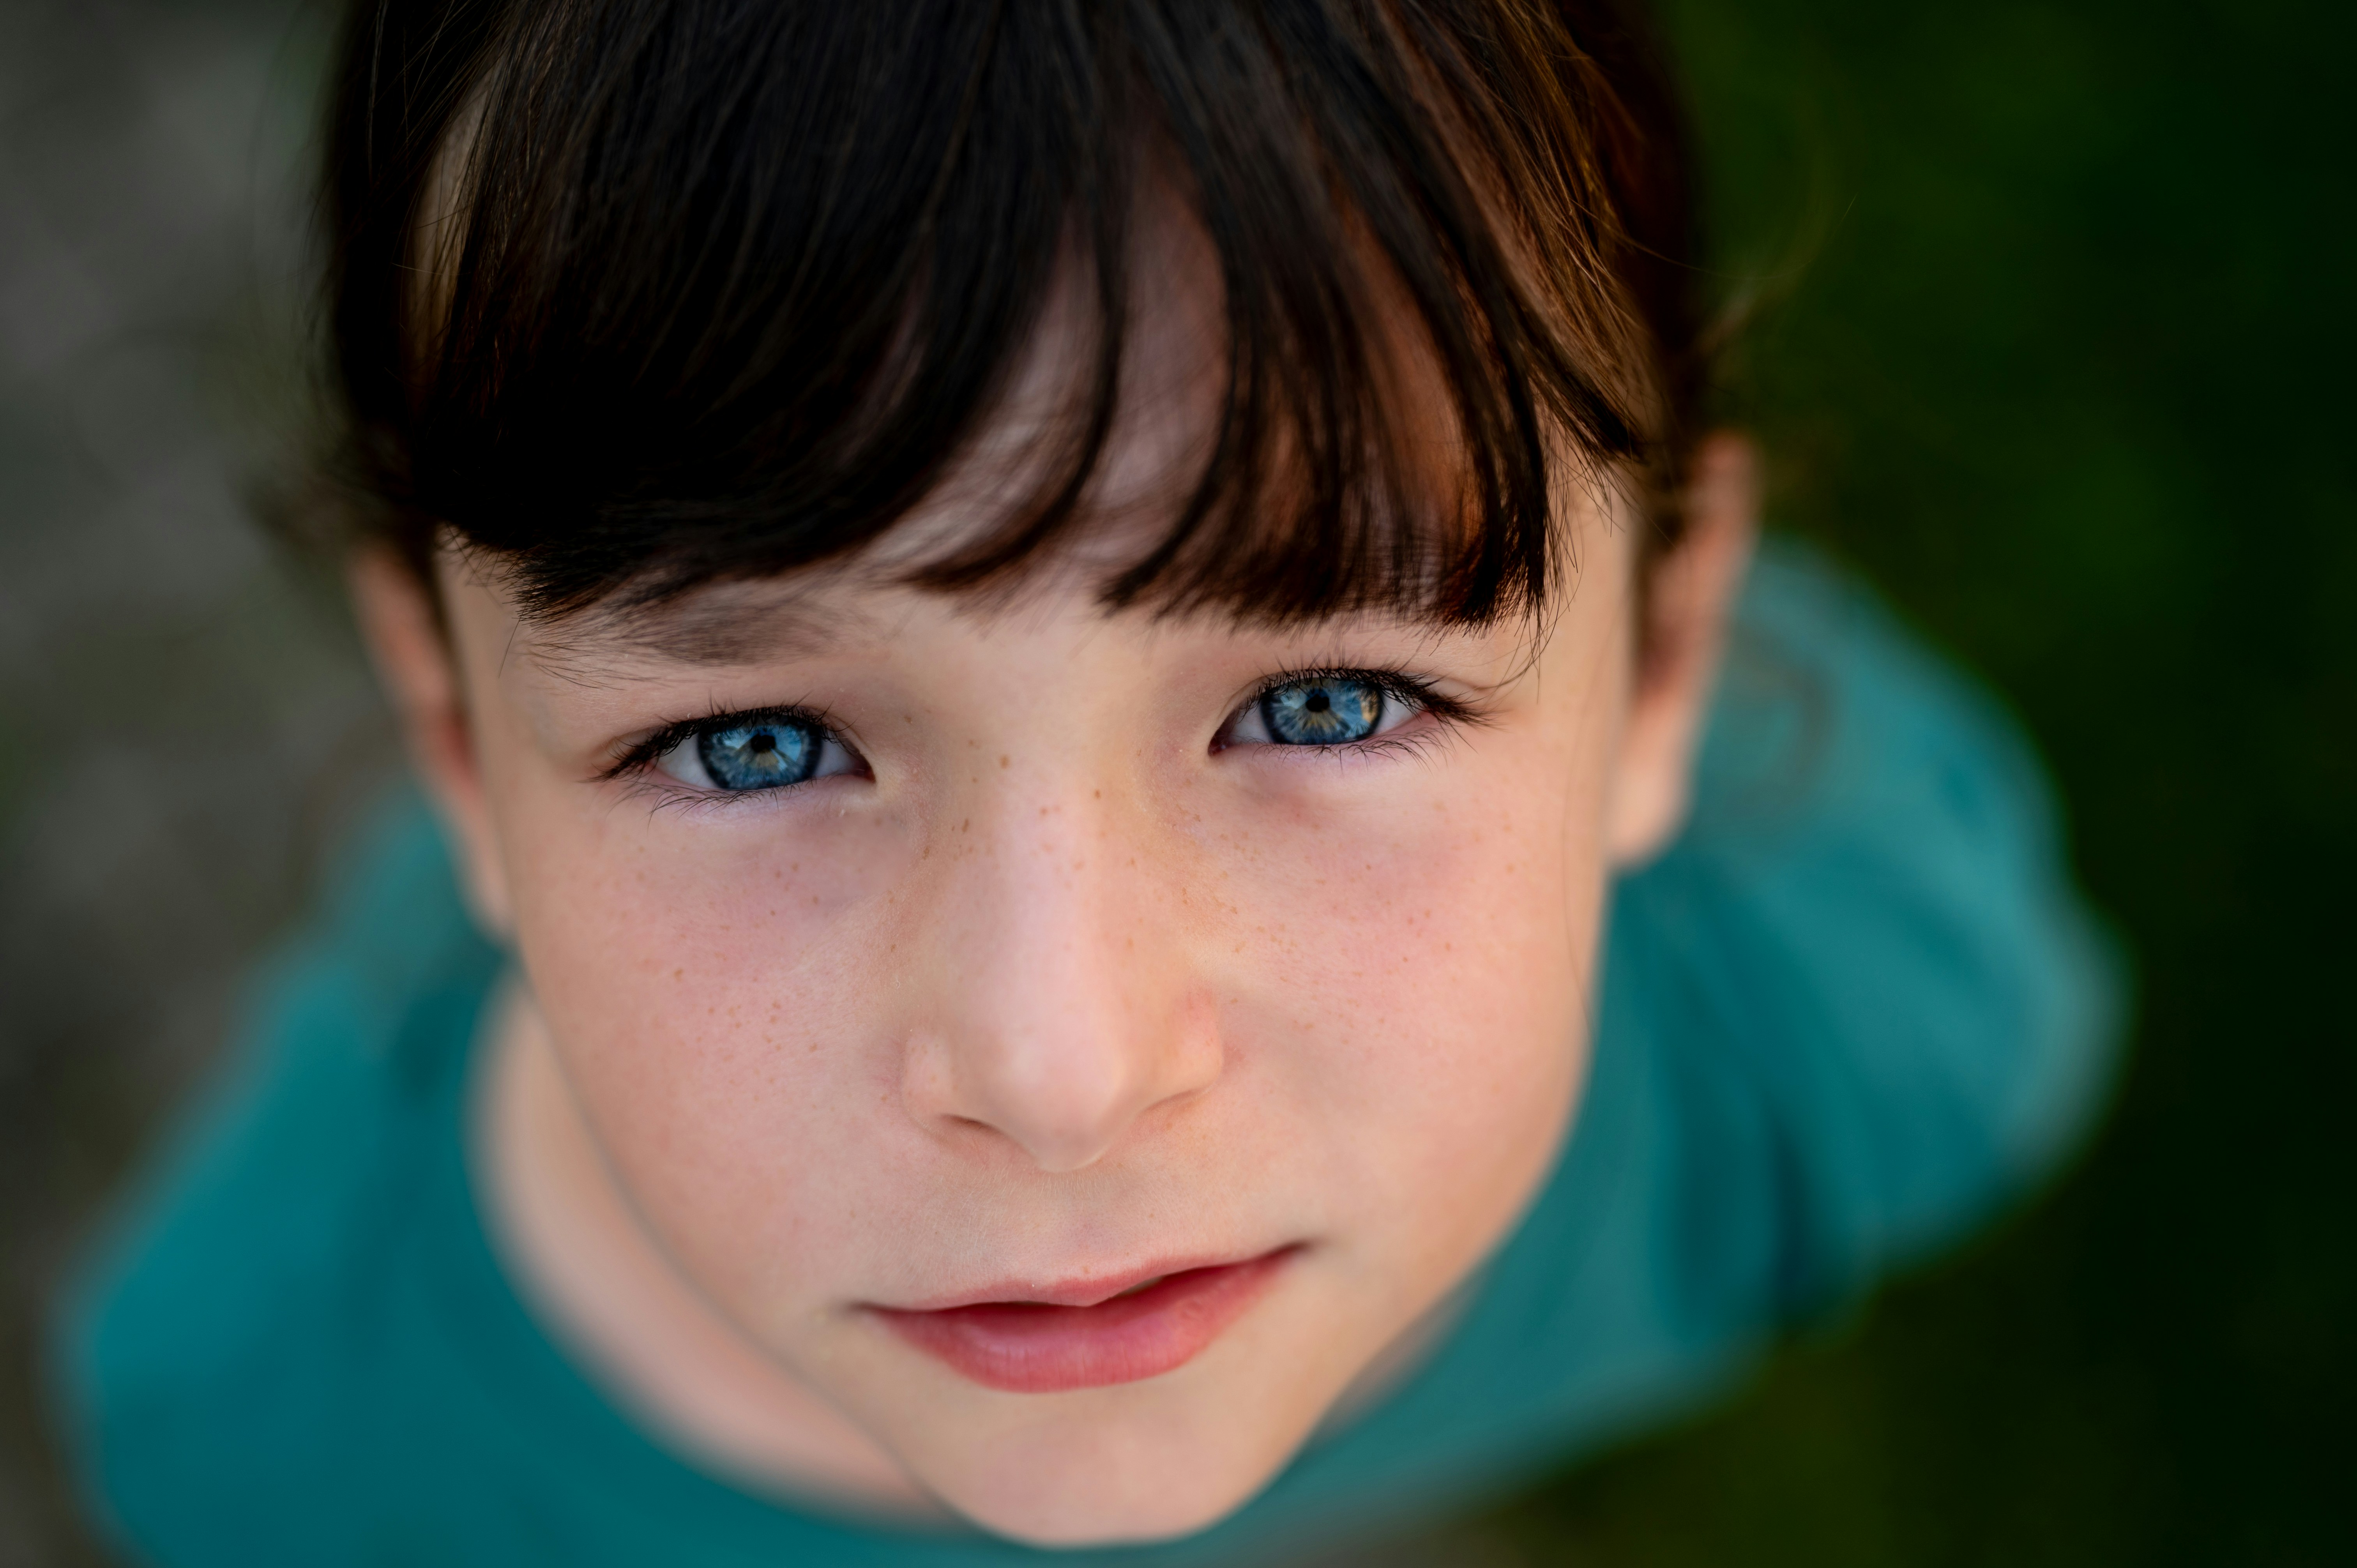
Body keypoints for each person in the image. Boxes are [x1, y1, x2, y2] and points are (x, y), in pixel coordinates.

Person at [49, 0, 2122, 1562]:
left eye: (1321, 704)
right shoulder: (280, 1428)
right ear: (451, 740)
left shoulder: (1851, 1027)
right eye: (753, 741)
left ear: (1668, 656)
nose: (1062, 1066)